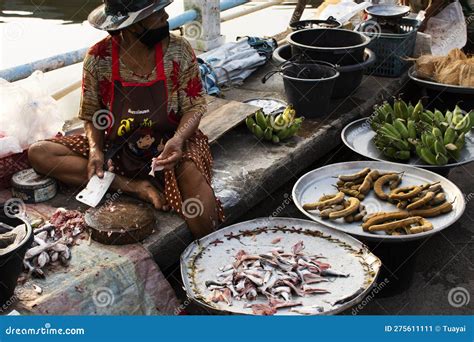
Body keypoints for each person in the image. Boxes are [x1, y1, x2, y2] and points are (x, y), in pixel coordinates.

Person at [28, 0, 225, 238]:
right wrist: (96, 150)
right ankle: (133, 186)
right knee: (40, 152)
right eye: (155, 13)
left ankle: (210, 251)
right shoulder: (99, 58)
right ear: (131, 25)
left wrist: (179, 139)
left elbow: (195, 107)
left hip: (170, 144)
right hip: (119, 148)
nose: (164, 16)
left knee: (191, 174)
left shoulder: (178, 50)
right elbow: (91, 114)